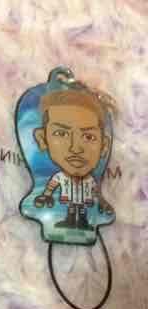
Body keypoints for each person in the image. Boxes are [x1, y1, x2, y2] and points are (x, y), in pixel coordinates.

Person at [33, 87, 113, 231]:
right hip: (67, 201)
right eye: (61, 133)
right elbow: (51, 187)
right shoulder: (60, 177)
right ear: (42, 139)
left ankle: (82, 223)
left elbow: (96, 192)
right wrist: (46, 196)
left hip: (85, 203)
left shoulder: (90, 180)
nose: (75, 148)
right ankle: (70, 221)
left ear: (104, 146)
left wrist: (102, 202)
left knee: (81, 211)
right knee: (71, 210)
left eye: (88, 137)